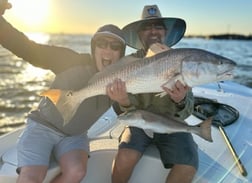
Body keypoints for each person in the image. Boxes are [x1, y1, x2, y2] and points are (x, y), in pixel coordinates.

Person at [0, 2, 126, 183]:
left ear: (121, 54)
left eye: (115, 46)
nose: (107, 50)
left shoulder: (121, 79)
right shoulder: (70, 60)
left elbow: (127, 109)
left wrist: (124, 101)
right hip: (42, 126)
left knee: (77, 172)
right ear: (93, 48)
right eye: (101, 43)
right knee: (31, 177)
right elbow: (25, 47)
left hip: (75, 135)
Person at [107, 5, 198, 183]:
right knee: (124, 159)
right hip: (139, 124)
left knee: (188, 165)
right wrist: (123, 101)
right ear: (140, 34)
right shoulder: (128, 64)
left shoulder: (180, 59)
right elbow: (122, 111)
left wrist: (180, 100)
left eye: (158, 26)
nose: (153, 31)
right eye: (147, 27)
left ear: (165, 31)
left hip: (172, 123)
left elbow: (187, 110)